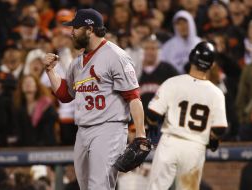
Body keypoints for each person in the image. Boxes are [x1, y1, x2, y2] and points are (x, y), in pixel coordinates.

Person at [43, 8, 146, 190]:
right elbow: (65, 95)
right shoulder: (77, 62)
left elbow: (133, 97)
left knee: (99, 186)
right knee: (85, 187)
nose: (71, 32)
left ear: (90, 29)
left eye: (75, 27)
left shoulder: (116, 56)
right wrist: (50, 71)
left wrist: (140, 135)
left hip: (109, 128)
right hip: (83, 131)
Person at [147, 41, 228, 190]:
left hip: (170, 143)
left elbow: (153, 113)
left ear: (192, 58)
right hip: (195, 147)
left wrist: (151, 124)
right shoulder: (216, 93)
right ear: (211, 65)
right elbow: (219, 129)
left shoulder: (173, 82)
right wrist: (213, 140)